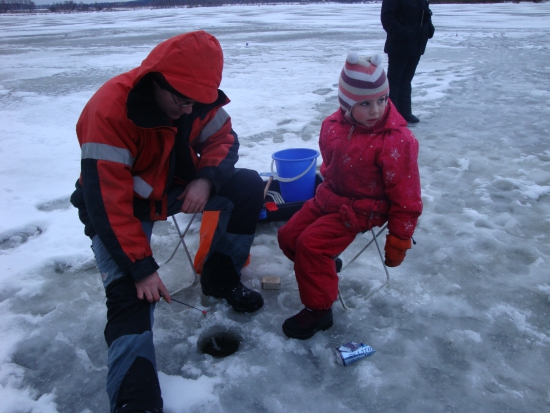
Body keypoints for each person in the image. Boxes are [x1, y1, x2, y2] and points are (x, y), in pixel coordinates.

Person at [70, 31, 265, 413]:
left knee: (246, 186)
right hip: (115, 208)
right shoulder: (109, 110)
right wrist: (141, 268)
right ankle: (134, 400)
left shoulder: (196, 100)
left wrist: (204, 180)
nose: (188, 110)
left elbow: (224, 140)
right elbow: (107, 201)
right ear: (155, 80)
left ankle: (221, 278)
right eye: (180, 99)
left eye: (197, 101)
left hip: (171, 191)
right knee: (132, 292)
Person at [277, 53, 423, 340]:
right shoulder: (332, 125)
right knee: (288, 236)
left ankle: (319, 310)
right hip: (329, 197)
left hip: (363, 208)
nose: (376, 110)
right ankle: (323, 269)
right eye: (365, 103)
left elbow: (407, 193)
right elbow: (330, 164)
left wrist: (400, 237)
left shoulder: (396, 141)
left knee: (311, 246)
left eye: (382, 100)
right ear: (346, 104)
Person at [381, 0, 435, 123]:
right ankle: (392, 115)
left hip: (417, 46)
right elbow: (387, 19)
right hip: (399, 46)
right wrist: (406, 33)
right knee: (394, 83)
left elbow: (425, 19)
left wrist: (428, 29)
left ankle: (405, 112)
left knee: (406, 81)